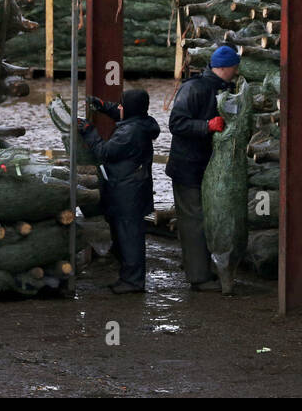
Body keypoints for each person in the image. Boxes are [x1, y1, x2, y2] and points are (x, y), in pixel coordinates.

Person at [166, 44, 239, 292]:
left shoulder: (224, 89)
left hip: (209, 168)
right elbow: (176, 123)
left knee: (207, 219)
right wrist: (206, 126)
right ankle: (198, 277)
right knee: (194, 220)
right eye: (236, 67)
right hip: (188, 167)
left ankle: (197, 266)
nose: (237, 71)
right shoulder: (194, 88)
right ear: (227, 68)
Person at [79, 88, 160, 294]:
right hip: (133, 187)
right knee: (126, 233)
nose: (119, 107)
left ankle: (133, 281)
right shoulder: (141, 123)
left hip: (128, 191)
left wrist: (89, 131)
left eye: (122, 105)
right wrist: (105, 107)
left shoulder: (129, 132)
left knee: (129, 236)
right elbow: (126, 112)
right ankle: (129, 276)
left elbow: (104, 152)